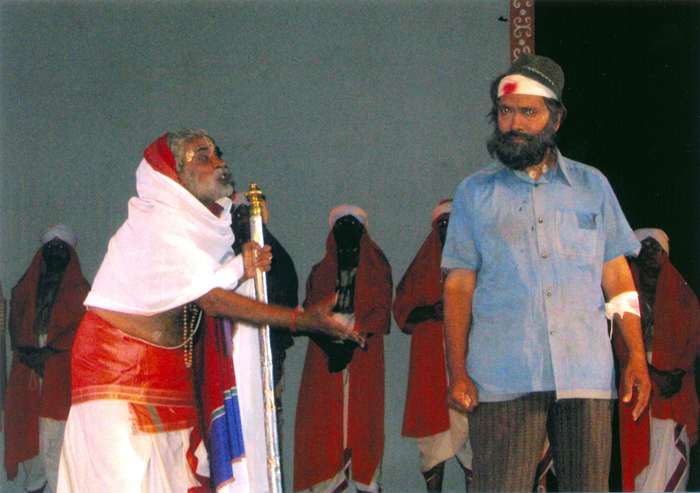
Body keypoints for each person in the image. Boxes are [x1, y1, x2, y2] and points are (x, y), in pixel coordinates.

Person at [56, 130, 362, 493]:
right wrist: (301, 320)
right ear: (174, 173)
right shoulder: (158, 222)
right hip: (116, 371)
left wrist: (244, 273)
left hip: (171, 370)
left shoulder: (204, 228)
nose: (219, 162)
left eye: (218, 154)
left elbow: (217, 290)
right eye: (203, 156)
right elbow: (213, 299)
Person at [441, 54, 651, 492]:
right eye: (505, 111)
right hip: (502, 378)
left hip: (585, 376)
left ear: (555, 120)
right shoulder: (474, 193)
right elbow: (459, 286)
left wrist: (635, 354)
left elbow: (617, 279)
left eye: (528, 112)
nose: (513, 123)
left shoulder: (592, 186)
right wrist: (457, 371)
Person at [294, 206, 392, 493]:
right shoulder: (319, 273)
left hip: (363, 355)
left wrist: (349, 347)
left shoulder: (378, 269)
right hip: (324, 359)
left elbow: (379, 313)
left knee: (364, 427)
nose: (347, 231)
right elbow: (309, 317)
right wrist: (332, 348)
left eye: (353, 225)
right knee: (323, 429)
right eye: (341, 225)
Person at [393, 200, 472, 492]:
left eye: (452, 222)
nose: (447, 229)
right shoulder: (423, 264)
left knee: (472, 439)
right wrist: (430, 310)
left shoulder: (474, 260)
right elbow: (402, 311)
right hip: (430, 363)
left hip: (468, 360)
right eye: (442, 224)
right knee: (432, 442)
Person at [4, 226, 90, 493]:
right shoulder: (26, 287)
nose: (55, 253)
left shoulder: (81, 290)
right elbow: (16, 322)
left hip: (61, 372)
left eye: (61, 249)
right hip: (28, 369)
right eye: (50, 248)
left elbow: (82, 328)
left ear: (69, 254)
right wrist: (29, 351)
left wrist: (50, 352)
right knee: (29, 440)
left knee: (56, 442)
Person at [615, 229, 700, 492]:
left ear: (665, 255)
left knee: (672, 467)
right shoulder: (625, 298)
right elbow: (621, 346)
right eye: (645, 247)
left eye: (656, 247)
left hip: (674, 391)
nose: (650, 252)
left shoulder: (684, 297)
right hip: (638, 387)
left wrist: (676, 374)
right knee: (643, 469)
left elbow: (694, 341)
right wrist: (652, 375)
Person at [231, 194, 298, 440]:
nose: (244, 223)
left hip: (268, 354)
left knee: (264, 427)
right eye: (239, 216)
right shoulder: (225, 257)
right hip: (230, 356)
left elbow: (285, 310)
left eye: (248, 217)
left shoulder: (277, 258)